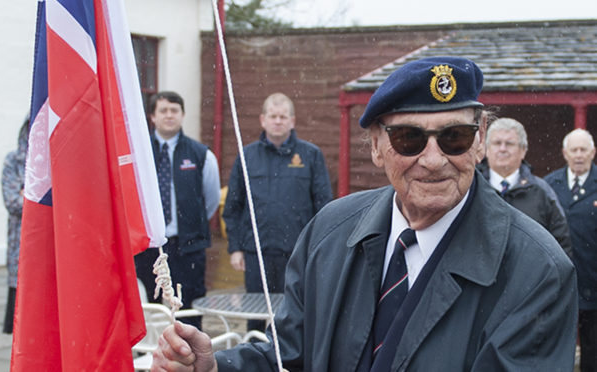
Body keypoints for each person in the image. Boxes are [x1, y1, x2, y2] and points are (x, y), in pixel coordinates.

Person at [152, 57, 577, 371]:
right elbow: (291, 354)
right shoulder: (329, 233)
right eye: (409, 138)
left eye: (455, 136)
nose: (433, 160)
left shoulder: (537, 272)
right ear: (376, 146)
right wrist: (213, 368)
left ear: (480, 140)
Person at [222, 92, 333, 331]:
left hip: (296, 253)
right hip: (256, 254)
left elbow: (324, 206)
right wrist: (235, 248)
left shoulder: (310, 155)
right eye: (273, 116)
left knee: (293, 314)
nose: (278, 121)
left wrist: (317, 250)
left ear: (292, 121)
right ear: (263, 120)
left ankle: (289, 364)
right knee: (256, 314)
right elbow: (232, 207)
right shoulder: (247, 156)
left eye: (283, 116)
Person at [134, 91, 221, 329]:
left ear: (182, 115)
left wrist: (189, 223)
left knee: (188, 307)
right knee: (148, 307)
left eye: (175, 110)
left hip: (187, 247)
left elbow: (210, 199)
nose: (169, 115)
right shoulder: (138, 154)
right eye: (163, 110)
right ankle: (151, 357)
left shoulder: (201, 155)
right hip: (148, 245)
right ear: (152, 116)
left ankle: (190, 357)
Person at [476, 117, 572, 257]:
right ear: (487, 149)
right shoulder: (471, 188)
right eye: (497, 143)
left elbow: (560, 245)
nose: (502, 149)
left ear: (523, 150)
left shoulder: (541, 191)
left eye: (509, 144)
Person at [545, 128, 597, 372]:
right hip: (559, 279)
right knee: (557, 343)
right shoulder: (549, 185)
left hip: (593, 279)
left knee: (592, 347)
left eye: (583, 150)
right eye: (573, 150)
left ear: (593, 152)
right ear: (564, 153)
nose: (578, 155)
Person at [1, 117, 29, 334]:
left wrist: (26, 194)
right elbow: (12, 201)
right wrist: (36, 200)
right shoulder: (14, 161)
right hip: (20, 246)